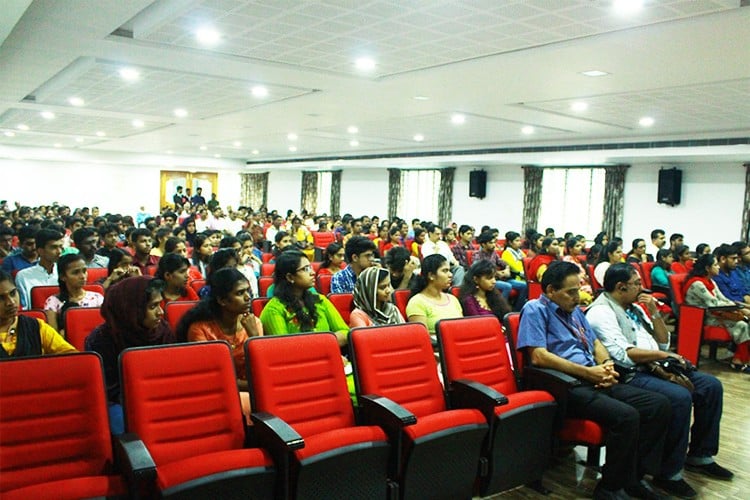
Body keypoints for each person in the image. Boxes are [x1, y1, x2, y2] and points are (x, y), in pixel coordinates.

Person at [517, 261, 671, 500]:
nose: (577, 297)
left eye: (578, 290)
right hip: (565, 384)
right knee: (627, 417)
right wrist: (587, 373)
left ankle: (633, 479)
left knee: (658, 405)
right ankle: (609, 488)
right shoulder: (535, 309)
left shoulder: (576, 312)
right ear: (550, 291)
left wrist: (606, 365)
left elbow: (596, 342)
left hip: (592, 377)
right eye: (570, 292)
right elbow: (538, 356)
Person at [588, 264, 732, 496]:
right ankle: (668, 473)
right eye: (636, 283)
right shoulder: (601, 312)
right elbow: (625, 354)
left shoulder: (635, 306)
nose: (642, 287)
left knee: (711, 386)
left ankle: (700, 454)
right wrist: (664, 356)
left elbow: (663, 342)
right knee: (679, 397)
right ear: (620, 286)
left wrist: (654, 312)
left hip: (657, 365)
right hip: (632, 373)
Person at [85, 276, 173, 434]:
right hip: (120, 401)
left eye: (160, 305)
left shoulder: (162, 331)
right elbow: (108, 389)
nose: (160, 312)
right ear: (133, 309)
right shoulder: (101, 339)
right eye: (153, 306)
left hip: (161, 395)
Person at [177, 268, 262, 419]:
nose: (248, 297)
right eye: (240, 293)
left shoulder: (253, 323)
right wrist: (254, 387)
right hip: (215, 393)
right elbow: (211, 378)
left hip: (252, 390)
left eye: (248, 291)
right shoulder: (201, 329)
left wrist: (254, 337)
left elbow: (260, 368)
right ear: (222, 300)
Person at [260, 250, 348, 346]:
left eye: (310, 267)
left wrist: (317, 344)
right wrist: (325, 342)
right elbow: (284, 348)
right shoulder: (274, 309)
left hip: (327, 359)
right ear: (290, 277)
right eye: (306, 269)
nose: (313, 272)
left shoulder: (320, 300)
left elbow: (345, 332)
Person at [684, 254, 750, 372]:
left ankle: (740, 357)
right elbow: (713, 303)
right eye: (715, 265)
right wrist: (737, 309)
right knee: (742, 324)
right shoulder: (697, 284)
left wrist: (738, 307)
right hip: (702, 317)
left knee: (745, 320)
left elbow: (723, 299)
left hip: (716, 313)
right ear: (707, 268)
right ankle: (738, 361)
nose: (718, 267)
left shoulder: (711, 281)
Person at [0, 270, 75, 358]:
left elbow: (72, 358)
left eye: (13, 293)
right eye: (1, 298)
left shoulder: (36, 327)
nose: (11, 302)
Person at [43, 253, 103, 334]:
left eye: (84, 271)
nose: (83, 276)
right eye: (76, 272)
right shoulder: (52, 302)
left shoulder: (97, 298)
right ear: (63, 277)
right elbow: (53, 335)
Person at [405, 254, 462, 337]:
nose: (450, 275)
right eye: (445, 271)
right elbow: (422, 338)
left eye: (449, 270)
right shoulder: (417, 302)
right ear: (431, 275)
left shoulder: (453, 299)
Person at [474, 231, 527, 308]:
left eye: (494, 242)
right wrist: (497, 273)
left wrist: (507, 269)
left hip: (502, 278)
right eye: (490, 243)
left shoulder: (494, 253)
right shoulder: (477, 255)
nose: (494, 245)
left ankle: (517, 309)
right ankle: (501, 308)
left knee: (524, 286)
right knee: (507, 286)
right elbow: (479, 271)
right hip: (489, 280)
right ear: (483, 244)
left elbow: (504, 263)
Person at [15, 228, 64, 309]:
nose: (59, 251)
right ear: (40, 251)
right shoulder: (23, 276)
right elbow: (25, 308)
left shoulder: (64, 273)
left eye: (61, 247)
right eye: (54, 247)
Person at [421, 222, 465, 287]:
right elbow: (429, 261)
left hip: (448, 266)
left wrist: (455, 261)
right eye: (437, 234)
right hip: (436, 268)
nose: (440, 237)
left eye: (440, 234)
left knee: (459, 269)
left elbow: (451, 256)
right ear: (430, 234)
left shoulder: (443, 244)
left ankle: (455, 289)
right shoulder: (425, 246)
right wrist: (435, 252)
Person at [562, 237, 593, 305]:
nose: (580, 248)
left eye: (580, 246)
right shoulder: (567, 260)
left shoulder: (579, 260)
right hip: (575, 286)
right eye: (577, 246)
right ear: (570, 248)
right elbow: (569, 276)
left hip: (584, 284)